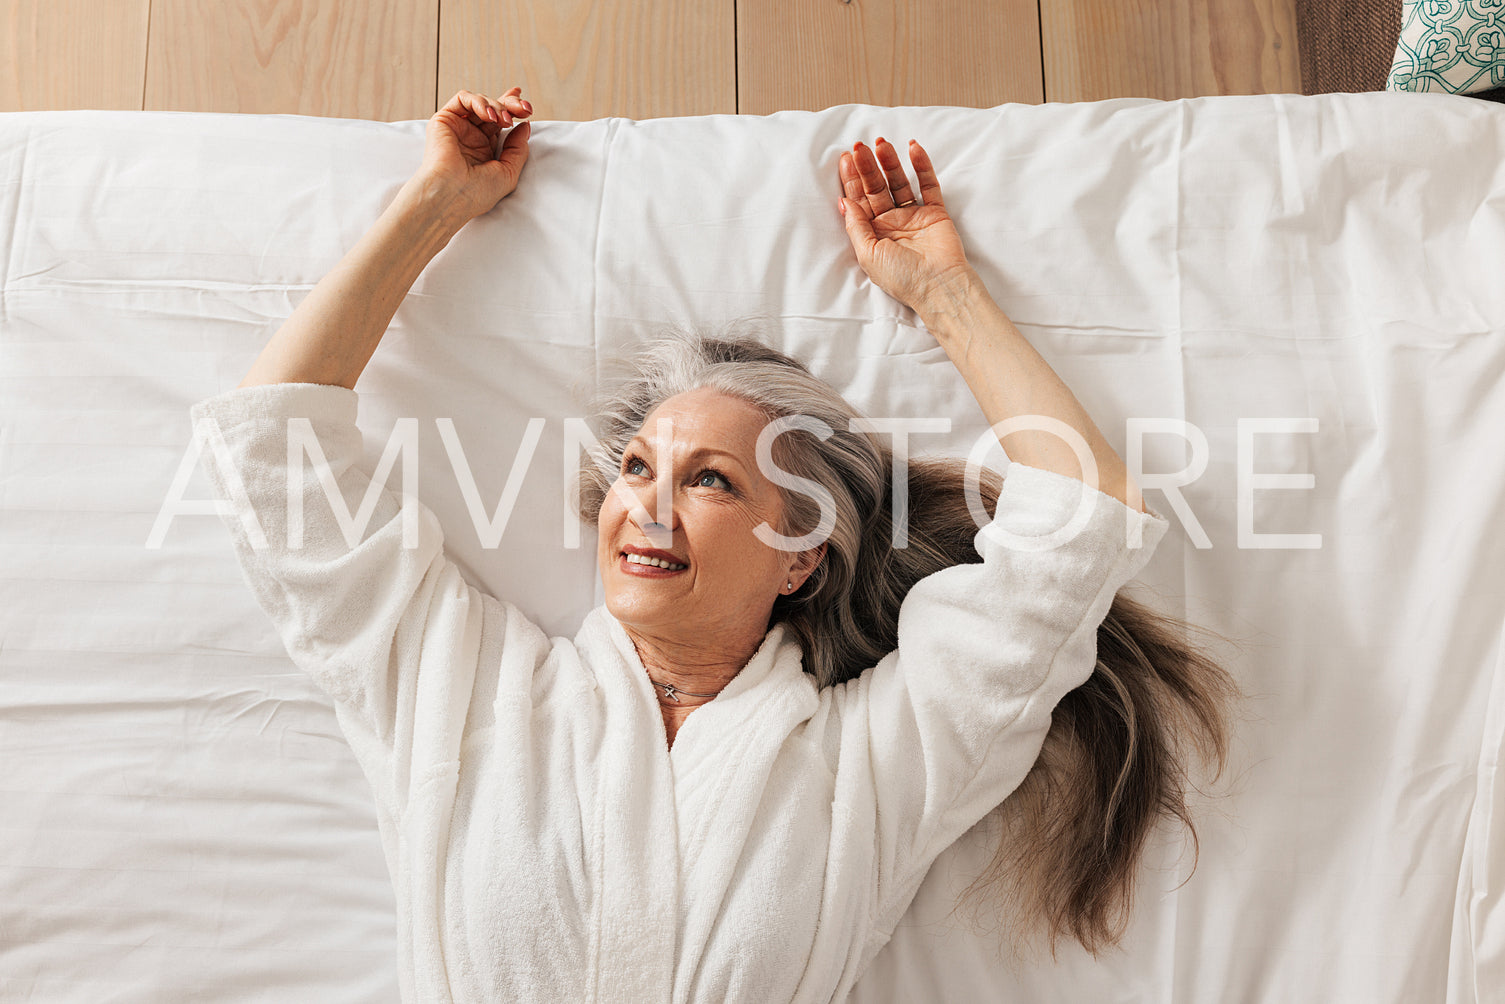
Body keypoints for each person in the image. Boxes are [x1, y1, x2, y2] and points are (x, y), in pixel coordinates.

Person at [190, 89, 1238, 1002]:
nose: (647, 506)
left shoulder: (868, 765)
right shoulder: (457, 688)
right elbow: (278, 444)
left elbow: (1078, 512)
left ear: (801, 554)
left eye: (709, 480)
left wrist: (941, 294)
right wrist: (435, 204)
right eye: (638, 469)